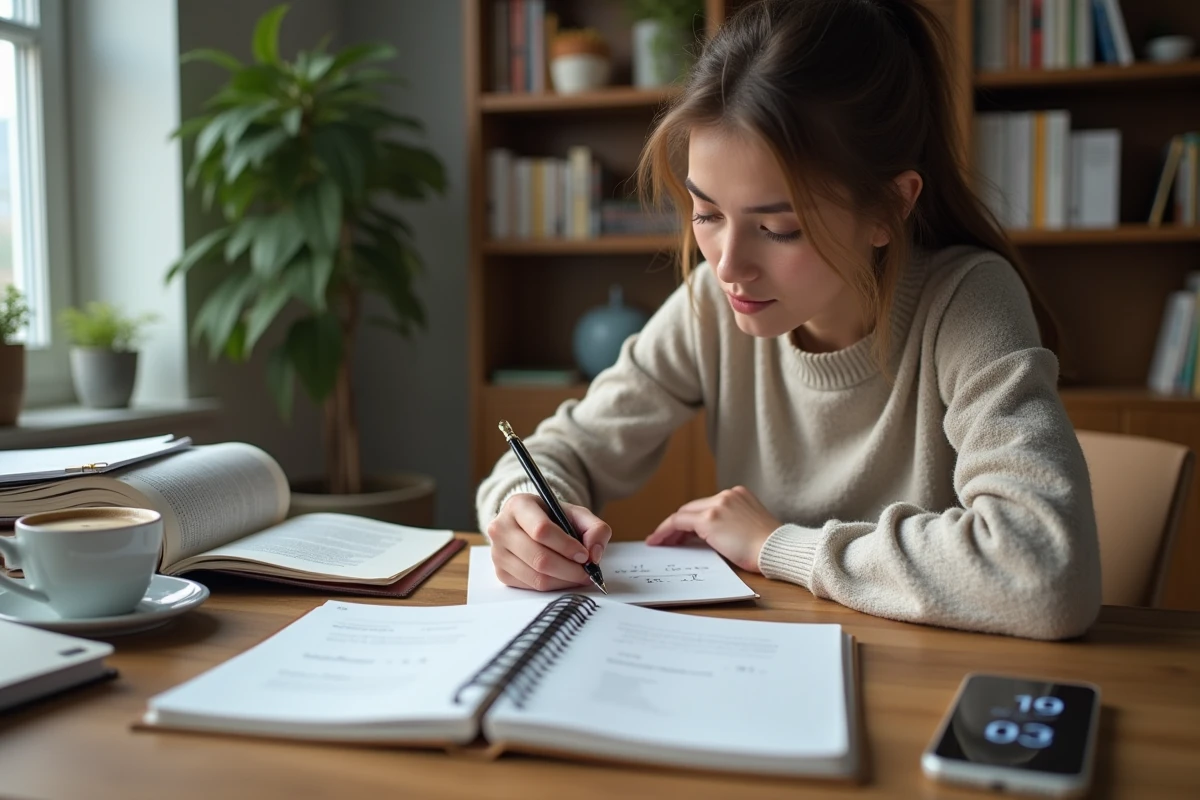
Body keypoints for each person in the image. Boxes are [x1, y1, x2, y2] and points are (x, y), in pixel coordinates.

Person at [475, 0, 1101, 640]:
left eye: (778, 229)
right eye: (707, 213)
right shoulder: (711, 305)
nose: (728, 267)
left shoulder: (966, 301)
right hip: (762, 660)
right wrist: (520, 513)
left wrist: (776, 545)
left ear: (889, 206)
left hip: (924, 680)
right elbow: (561, 448)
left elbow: (1045, 572)